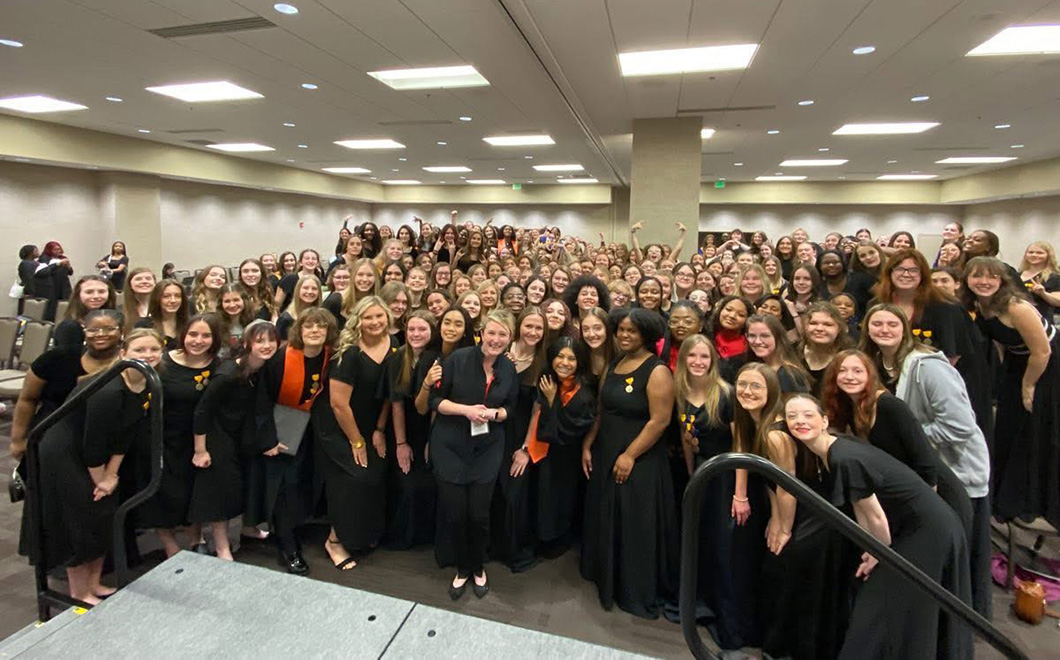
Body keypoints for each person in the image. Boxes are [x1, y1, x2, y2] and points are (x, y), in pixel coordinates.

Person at [783, 394, 973, 660]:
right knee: (890, 607)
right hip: (915, 526)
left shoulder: (842, 457)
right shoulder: (834, 449)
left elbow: (875, 519)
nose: (799, 421)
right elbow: (862, 507)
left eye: (807, 415)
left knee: (883, 606)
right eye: (792, 416)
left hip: (928, 529)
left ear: (824, 420)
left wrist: (877, 553)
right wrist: (871, 549)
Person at [823, 347, 988, 617]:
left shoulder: (889, 406)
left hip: (936, 494)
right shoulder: (850, 408)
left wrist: (925, 511)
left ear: (870, 375)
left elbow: (924, 461)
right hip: (910, 496)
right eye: (842, 370)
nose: (849, 376)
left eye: (857, 370)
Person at [33, 328, 161, 604]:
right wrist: (100, 479)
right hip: (68, 453)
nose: (148, 356)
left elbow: (125, 434)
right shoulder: (109, 390)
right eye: (140, 350)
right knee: (81, 520)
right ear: (124, 353)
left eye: (154, 350)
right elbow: (93, 445)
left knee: (103, 515)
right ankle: (79, 591)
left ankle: (95, 582)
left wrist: (112, 474)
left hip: (99, 455)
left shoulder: (146, 383)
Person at [580, 308, 678, 619]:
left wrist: (630, 455)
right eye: (621, 329)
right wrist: (588, 443)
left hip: (639, 459)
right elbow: (601, 409)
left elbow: (660, 421)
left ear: (646, 335)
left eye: (631, 331)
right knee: (609, 514)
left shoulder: (657, 370)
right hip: (607, 450)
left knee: (634, 522)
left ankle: (631, 587)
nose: (624, 335)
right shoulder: (615, 363)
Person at [674, 335, 757, 651]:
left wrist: (740, 493)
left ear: (713, 360)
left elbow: (741, 445)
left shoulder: (725, 395)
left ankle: (729, 623)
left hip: (726, 478)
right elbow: (686, 438)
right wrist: (692, 475)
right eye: (691, 356)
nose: (697, 362)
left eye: (703, 357)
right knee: (702, 545)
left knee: (725, 550)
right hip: (701, 480)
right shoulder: (682, 392)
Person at [964, 257, 1060, 531]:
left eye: (991, 277)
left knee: (1033, 427)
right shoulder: (979, 305)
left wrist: (1028, 386)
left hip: (1046, 367)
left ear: (1002, 280)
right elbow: (1000, 342)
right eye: (976, 276)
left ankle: (1034, 497)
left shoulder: (1016, 307)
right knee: (1008, 426)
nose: (983, 282)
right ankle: (1008, 491)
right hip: (1018, 364)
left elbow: (1043, 352)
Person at [430, 310, 519, 599]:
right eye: (491, 332)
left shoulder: (508, 368)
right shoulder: (457, 359)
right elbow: (435, 400)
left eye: (502, 334)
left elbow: (511, 409)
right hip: (450, 445)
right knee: (456, 514)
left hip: (487, 448)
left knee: (479, 515)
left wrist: (495, 414)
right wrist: (466, 411)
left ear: (510, 338)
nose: (495, 339)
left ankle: (478, 566)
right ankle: (462, 568)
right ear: (481, 332)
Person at [252, 308, 338, 575]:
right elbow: (262, 403)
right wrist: (268, 439)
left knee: (305, 480)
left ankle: (299, 526)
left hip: (313, 426)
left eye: (320, 327)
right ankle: (288, 546)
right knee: (284, 486)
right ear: (299, 330)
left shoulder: (330, 357)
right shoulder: (280, 359)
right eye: (309, 326)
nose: (314, 331)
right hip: (283, 424)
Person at [189, 320, 277, 561]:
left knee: (245, 485)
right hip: (218, 438)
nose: (266, 346)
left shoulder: (262, 369)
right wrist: (200, 450)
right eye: (260, 341)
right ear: (247, 343)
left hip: (241, 436)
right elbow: (202, 412)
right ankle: (221, 547)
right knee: (221, 494)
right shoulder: (228, 374)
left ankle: (247, 528)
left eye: (271, 341)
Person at [136, 314, 223, 557]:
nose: (198, 340)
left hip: (196, 438)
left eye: (206, 335)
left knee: (191, 491)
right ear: (183, 335)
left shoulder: (217, 364)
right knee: (162, 492)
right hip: (160, 437)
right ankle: (170, 545)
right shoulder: (163, 361)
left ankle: (196, 537)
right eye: (193, 334)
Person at [320, 296, 396, 570]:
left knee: (375, 475)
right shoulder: (349, 353)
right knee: (353, 478)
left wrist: (378, 429)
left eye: (379, 316)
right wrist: (357, 440)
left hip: (373, 423)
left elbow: (391, 394)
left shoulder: (395, 347)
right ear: (358, 321)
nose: (375, 322)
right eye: (368, 318)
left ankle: (363, 535)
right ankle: (335, 540)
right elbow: (338, 404)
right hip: (341, 426)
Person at [524, 337, 596, 556]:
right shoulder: (548, 380)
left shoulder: (585, 392)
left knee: (562, 501)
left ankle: (557, 541)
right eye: (560, 356)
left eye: (571, 358)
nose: (564, 362)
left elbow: (569, 430)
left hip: (567, 456)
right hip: (545, 453)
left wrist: (553, 400)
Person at [493, 306, 548, 572]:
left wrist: (526, 448)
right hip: (492, 432)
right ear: (519, 326)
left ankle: (512, 550)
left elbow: (538, 411)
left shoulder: (544, 362)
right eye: (529, 326)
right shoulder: (501, 352)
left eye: (539, 328)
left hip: (521, 436)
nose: (533, 332)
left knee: (514, 492)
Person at [386, 311, 439, 549]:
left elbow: (435, 407)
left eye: (422, 330)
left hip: (429, 429)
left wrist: (432, 440)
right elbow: (396, 404)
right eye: (412, 330)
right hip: (403, 428)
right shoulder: (397, 359)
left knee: (427, 484)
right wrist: (400, 443)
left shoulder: (438, 360)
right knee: (405, 483)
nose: (416, 334)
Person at [745, 313, 812, 393]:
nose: (757, 341)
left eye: (765, 336)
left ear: (778, 337)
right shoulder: (755, 364)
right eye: (752, 336)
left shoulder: (788, 374)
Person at [707, 295, 753, 383]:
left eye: (741, 315)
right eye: (728, 310)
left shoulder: (751, 347)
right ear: (720, 310)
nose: (732, 316)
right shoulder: (707, 338)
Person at [1019, 241, 1060, 320]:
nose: (1034, 255)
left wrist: (1043, 294)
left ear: (1048, 256)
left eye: (1039, 253)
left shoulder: (1054, 277)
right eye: (1031, 252)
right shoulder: (1016, 275)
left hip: (1040, 319)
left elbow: (1058, 302)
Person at [144, 278, 189, 350]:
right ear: (157, 299)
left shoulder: (190, 324)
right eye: (166, 296)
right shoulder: (144, 325)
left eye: (177, 296)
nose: (173, 300)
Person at [276, 275, 321, 340]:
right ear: (297, 290)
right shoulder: (285, 319)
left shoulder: (322, 316)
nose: (310, 291)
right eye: (305, 288)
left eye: (314, 289)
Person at [38, 241, 74, 321]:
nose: (58, 251)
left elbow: (70, 272)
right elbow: (44, 271)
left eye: (59, 249)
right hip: (52, 285)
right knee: (53, 306)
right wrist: (58, 264)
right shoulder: (44, 258)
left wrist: (68, 266)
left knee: (65, 303)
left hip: (64, 285)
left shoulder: (62, 258)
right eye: (55, 249)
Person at [120, 267, 156, 331]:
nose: (144, 281)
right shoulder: (121, 311)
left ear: (155, 283)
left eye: (148, 278)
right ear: (130, 285)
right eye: (138, 279)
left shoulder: (163, 308)